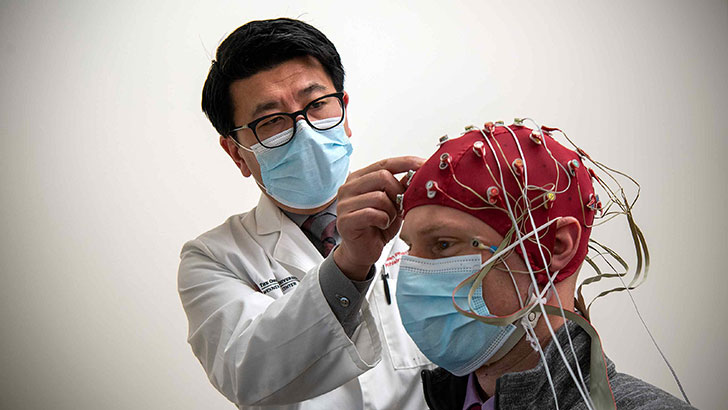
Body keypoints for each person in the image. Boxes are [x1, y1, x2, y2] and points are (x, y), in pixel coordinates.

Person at [177, 18, 430, 409]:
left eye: (316, 105)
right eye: (271, 121)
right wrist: (348, 264)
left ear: (344, 112)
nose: (305, 131)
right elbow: (247, 375)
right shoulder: (213, 258)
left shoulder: (422, 213)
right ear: (236, 153)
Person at [396, 121, 695, 409]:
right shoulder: (417, 400)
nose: (412, 272)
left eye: (444, 244)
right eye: (410, 246)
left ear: (554, 246)